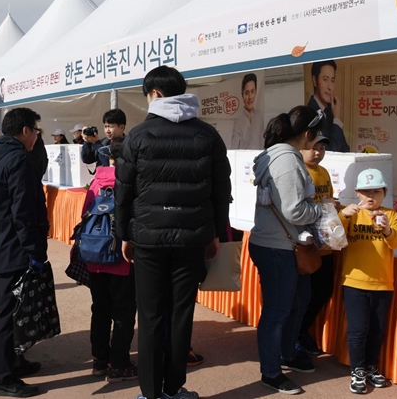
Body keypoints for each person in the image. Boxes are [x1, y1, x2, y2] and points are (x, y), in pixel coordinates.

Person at [115, 65, 231, 399]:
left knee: (150, 316)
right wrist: (215, 234)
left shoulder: (136, 136)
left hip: (148, 240)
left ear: (155, 94)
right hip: (192, 239)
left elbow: (124, 192)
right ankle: (173, 388)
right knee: (181, 315)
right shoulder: (207, 135)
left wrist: (124, 234)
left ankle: (150, 394)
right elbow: (221, 190)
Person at [249, 105, 324, 395]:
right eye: (317, 138)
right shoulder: (287, 161)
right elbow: (293, 210)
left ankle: (287, 353)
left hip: (281, 244)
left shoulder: (277, 155)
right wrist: (320, 211)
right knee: (278, 311)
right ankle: (271, 372)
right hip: (278, 246)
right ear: (307, 134)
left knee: (298, 300)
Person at [0, 108, 49, 398]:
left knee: (4, 311)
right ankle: (0, 377)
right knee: (7, 316)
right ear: (25, 130)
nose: (36, 136)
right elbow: (23, 211)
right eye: (36, 130)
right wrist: (35, 251)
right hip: (14, 248)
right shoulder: (19, 159)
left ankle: (11, 364)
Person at [338, 169, 397, 394]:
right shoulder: (352, 214)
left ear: (384, 192)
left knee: (376, 330)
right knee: (358, 329)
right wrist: (343, 215)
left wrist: (387, 230)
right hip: (354, 281)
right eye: (366, 191)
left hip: (383, 283)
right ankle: (357, 370)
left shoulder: (391, 215)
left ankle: (371, 367)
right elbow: (332, 235)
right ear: (357, 192)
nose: (371, 196)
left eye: (376, 191)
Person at [83, 137, 138, 384]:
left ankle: (99, 361)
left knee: (100, 309)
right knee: (124, 312)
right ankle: (118, 365)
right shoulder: (129, 181)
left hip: (95, 257)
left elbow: (84, 217)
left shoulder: (95, 182)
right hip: (122, 260)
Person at [297, 133, 336, 356]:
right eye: (314, 147)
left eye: (322, 147)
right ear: (302, 148)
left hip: (325, 243)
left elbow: (327, 202)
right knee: (305, 294)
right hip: (306, 244)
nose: (318, 152)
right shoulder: (299, 172)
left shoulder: (324, 172)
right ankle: (296, 335)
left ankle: (301, 331)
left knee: (323, 291)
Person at [308, 60, 350, 152]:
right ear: (315, 81)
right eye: (325, 80)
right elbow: (329, 152)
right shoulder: (309, 114)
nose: (330, 87)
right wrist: (337, 120)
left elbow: (345, 149)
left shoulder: (330, 112)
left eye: (332, 80)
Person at [231, 73, 264, 150]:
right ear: (242, 95)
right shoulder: (238, 121)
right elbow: (234, 149)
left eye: (252, 92)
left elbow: (262, 142)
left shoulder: (259, 116)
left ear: (256, 92)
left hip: (259, 160)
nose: (250, 97)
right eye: (246, 93)